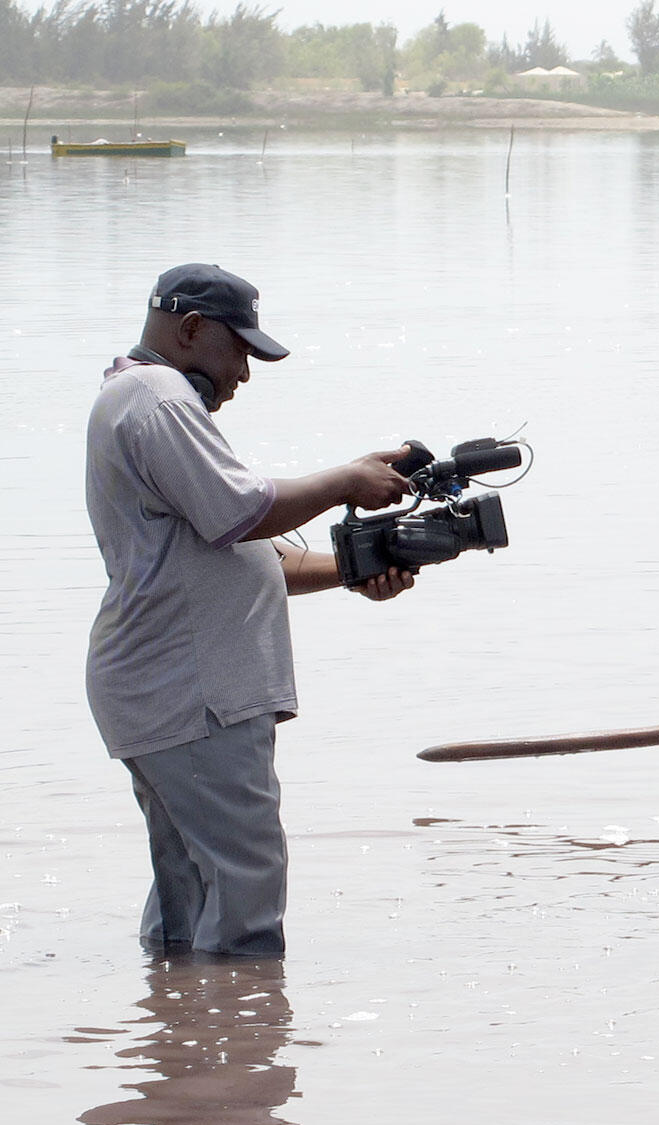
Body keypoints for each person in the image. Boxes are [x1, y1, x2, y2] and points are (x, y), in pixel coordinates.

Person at [85, 263, 419, 956]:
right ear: (190, 329)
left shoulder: (138, 396)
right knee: (245, 885)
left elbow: (242, 550)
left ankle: (181, 1036)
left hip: (160, 690)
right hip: (192, 693)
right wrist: (345, 481)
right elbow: (242, 514)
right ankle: (244, 1042)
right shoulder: (160, 399)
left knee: (191, 888)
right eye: (239, 349)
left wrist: (361, 566)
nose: (243, 371)